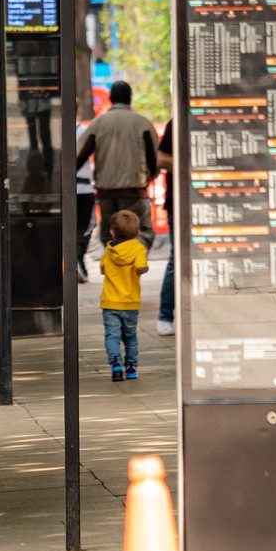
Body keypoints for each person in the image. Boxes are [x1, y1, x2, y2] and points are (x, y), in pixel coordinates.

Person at [76, 81, 158, 249]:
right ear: (130, 98)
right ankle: (133, 264)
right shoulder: (142, 123)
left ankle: (116, 267)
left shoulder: (98, 124)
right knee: (142, 232)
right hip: (134, 191)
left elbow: (79, 157)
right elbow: (154, 160)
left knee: (109, 235)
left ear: (111, 98)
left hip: (107, 193)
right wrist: (150, 176)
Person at [99, 208, 148, 381]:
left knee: (112, 336)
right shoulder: (138, 248)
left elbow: (103, 268)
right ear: (137, 232)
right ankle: (132, 368)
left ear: (112, 231)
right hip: (130, 302)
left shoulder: (109, 250)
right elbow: (140, 267)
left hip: (110, 303)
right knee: (130, 337)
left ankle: (116, 364)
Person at [155, 120, 175, 336]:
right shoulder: (175, 123)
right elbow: (162, 159)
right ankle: (165, 315)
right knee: (177, 259)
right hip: (179, 202)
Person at [74, 116, 97, 281]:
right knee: (86, 226)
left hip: (62, 190)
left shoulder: (54, 131)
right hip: (84, 188)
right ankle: (78, 257)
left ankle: (72, 259)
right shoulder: (84, 131)